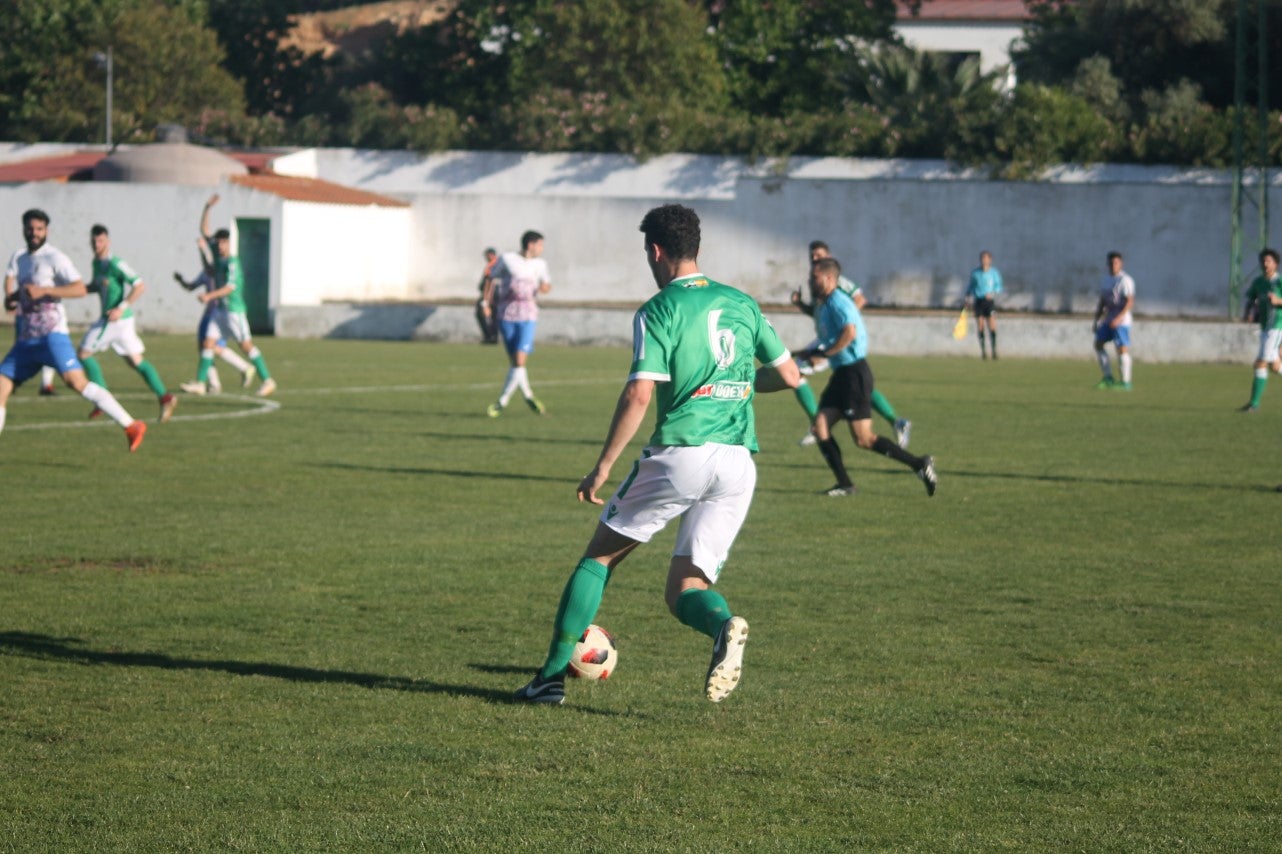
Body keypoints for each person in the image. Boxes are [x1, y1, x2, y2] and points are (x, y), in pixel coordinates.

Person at [514, 204, 802, 706]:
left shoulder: (659, 309)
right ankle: (723, 625)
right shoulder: (742, 302)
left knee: (598, 559)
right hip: (737, 463)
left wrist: (603, 465)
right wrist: (734, 387)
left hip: (682, 455)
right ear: (697, 246)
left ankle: (550, 680)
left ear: (655, 250)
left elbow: (639, 394)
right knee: (685, 587)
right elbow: (791, 376)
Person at [1, 209, 146, 451]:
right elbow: (26, 289)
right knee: (1, 386)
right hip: (27, 339)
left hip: (52, 335)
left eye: (39, 229)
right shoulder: (21, 258)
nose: (34, 233)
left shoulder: (55, 257)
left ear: (46, 231)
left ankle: (131, 425)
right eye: (30, 228)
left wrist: (46, 291)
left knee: (76, 382)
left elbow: (79, 288)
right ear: (24, 229)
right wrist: (13, 298)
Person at [797, 257, 937, 498]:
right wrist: (812, 352)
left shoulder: (839, 301)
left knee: (863, 439)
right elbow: (830, 338)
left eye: (815, 277)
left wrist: (825, 353)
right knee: (820, 425)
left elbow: (849, 333)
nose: (810, 281)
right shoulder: (825, 303)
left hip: (854, 374)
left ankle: (919, 463)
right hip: (841, 375)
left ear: (829, 278)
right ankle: (844, 483)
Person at [790, 240, 911, 449]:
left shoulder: (835, 280)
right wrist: (801, 304)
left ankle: (816, 424)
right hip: (829, 338)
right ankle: (896, 421)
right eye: (812, 256)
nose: (815, 259)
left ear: (828, 256)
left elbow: (860, 299)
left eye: (819, 255)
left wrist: (844, 319)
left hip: (836, 340)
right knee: (858, 389)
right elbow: (819, 314)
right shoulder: (816, 281)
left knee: (795, 373)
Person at [78, 224, 177, 423]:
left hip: (116, 320)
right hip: (117, 321)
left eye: (100, 241)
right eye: (94, 241)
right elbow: (96, 286)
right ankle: (166, 397)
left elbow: (139, 285)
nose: (96, 245)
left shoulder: (116, 263)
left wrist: (120, 307)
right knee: (135, 361)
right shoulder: (97, 263)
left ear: (108, 242)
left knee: (83, 353)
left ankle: (102, 400)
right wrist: (69, 289)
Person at [180, 195, 276, 397]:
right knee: (207, 342)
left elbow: (231, 287)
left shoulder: (232, 262)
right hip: (221, 310)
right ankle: (199, 383)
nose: (220, 246)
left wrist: (209, 296)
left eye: (224, 243)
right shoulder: (216, 255)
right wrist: (207, 207)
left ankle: (267, 380)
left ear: (229, 243)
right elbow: (204, 231)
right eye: (219, 243)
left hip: (234, 310)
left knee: (245, 346)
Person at [173, 236, 255, 394]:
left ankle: (244, 368)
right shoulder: (207, 273)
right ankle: (211, 383)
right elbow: (191, 286)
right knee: (206, 346)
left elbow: (229, 285)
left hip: (222, 314)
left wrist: (203, 249)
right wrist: (181, 280)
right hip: (211, 314)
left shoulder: (223, 268)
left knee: (215, 347)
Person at [483, 230, 551, 417]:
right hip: (506, 315)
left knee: (520, 360)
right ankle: (528, 396)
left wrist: (544, 287)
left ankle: (501, 402)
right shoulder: (507, 259)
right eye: (540, 245)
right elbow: (490, 277)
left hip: (528, 316)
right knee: (516, 363)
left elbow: (546, 284)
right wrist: (485, 303)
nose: (541, 249)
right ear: (530, 244)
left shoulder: (540, 264)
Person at [1239, 249, 1282, 412]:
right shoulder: (1258, 282)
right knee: (1275, 366)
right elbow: (1251, 299)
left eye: (1269, 261)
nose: (1265, 264)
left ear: (1276, 264)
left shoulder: (1279, 282)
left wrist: (1278, 300)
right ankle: (1253, 404)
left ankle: (1254, 404)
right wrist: (1248, 313)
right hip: (1264, 327)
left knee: (1260, 363)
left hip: (1277, 326)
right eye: (1263, 261)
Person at [1093, 251, 1135, 390]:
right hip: (1108, 319)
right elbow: (1102, 302)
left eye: (1116, 262)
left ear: (1121, 264)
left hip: (1121, 321)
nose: (1113, 265)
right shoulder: (1106, 280)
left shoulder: (1125, 280)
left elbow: (1129, 302)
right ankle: (1108, 377)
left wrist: (1119, 318)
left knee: (1121, 349)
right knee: (1098, 344)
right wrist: (1096, 320)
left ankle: (1125, 382)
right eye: (1111, 263)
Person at [966, 250, 1003, 359]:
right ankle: (983, 352)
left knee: (992, 325)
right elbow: (971, 286)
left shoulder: (994, 273)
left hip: (989, 302)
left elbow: (999, 286)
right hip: (979, 301)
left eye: (986, 258)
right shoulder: (975, 273)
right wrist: (967, 295)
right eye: (983, 258)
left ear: (990, 260)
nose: (984, 260)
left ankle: (994, 351)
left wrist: (992, 293)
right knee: (980, 326)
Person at [474, 247, 499, 344]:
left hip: (490, 295)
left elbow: (489, 283)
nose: (486, 257)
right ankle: (492, 337)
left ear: (491, 255)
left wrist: (485, 299)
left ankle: (489, 336)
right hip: (493, 295)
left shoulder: (493, 266)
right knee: (494, 316)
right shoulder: (496, 265)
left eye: (487, 255)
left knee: (482, 314)